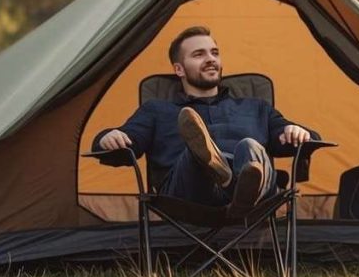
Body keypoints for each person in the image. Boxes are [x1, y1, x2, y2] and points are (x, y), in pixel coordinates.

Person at [92, 26, 319, 217]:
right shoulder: (157, 111)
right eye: (199, 54)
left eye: (214, 53)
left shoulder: (256, 107)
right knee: (194, 151)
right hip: (189, 196)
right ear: (179, 69)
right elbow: (125, 143)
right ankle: (222, 173)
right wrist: (107, 137)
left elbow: (306, 140)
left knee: (250, 147)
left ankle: (234, 183)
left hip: (257, 193)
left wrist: (298, 132)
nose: (211, 59)